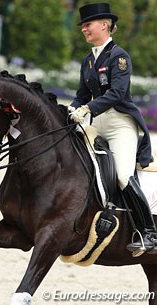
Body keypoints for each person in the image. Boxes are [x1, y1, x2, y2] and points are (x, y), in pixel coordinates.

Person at [69, 2, 157, 256]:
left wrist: (86, 109)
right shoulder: (88, 60)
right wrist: (71, 109)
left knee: (121, 175)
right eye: (83, 25)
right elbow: (81, 94)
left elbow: (118, 93)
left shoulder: (119, 57)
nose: (84, 29)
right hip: (96, 122)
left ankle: (149, 232)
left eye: (88, 25)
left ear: (104, 25)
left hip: (119, 123)